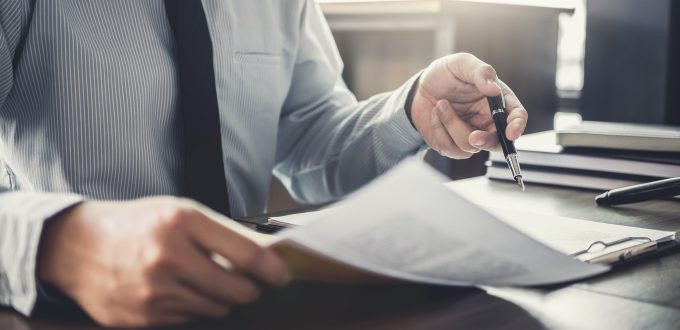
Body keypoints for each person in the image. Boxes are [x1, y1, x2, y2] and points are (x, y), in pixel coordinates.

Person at [0, 0, 528, 328]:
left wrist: (411, 111)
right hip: (65, 311)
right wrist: (55, 242)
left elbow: (310, 141)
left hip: (247, 302)